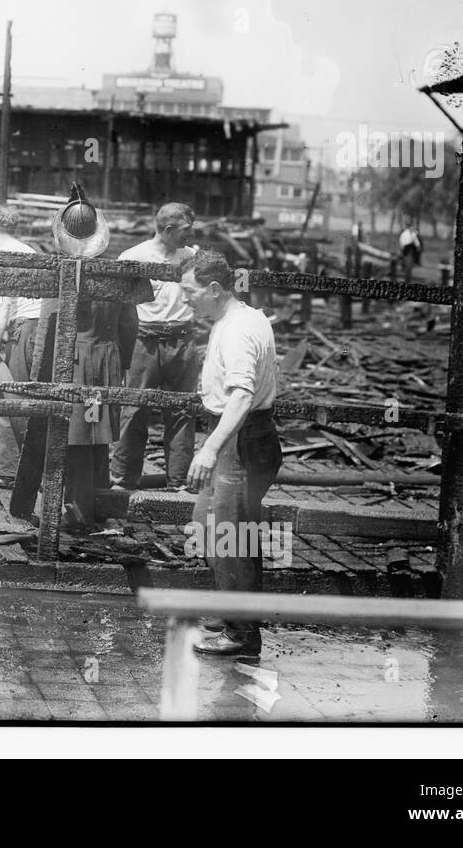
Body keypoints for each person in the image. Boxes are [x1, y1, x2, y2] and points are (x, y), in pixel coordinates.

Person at [180, 250, 282, 658]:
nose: (185, 298)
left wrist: (210, 449)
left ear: (214, 288)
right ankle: (234, 613)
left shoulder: (239, 330)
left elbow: (241, 398)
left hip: (239, 440)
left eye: (190, 291)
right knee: (210, 525)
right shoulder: (242, 317)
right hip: (242, 437)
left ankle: (242, 635)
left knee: (232, 536)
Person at [43, 184, 136, 530]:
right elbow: (130, 325)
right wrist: (121, 363)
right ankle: (98, 500)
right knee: (97, 433)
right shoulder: (116, 272)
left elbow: (49, 326)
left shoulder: (61, 272)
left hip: (74, 362)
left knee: (76, 436)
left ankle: (76, 507)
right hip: (106, 359)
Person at [110, 203, 200, 491]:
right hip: (144, 342)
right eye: (186, 229)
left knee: (183, 411)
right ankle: (124, 479)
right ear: (169, 229)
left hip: (182, 341)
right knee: (135, 409)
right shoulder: (133, 257)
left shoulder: (192, 257)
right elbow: (119, 306)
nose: (191, 234)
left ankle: (179, 482)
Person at [0, 207, 42, 487]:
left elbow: (3, 304)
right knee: (18, 393)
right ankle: (12, 465)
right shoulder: (26, 250)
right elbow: (21, 302)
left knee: (10, 394)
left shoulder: (5, 256)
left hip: (25, 330)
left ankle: (9, 472)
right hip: (34, 326)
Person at [398, 217, 423, 283]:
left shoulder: (412, 233)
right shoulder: (405, 233)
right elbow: (402, 242)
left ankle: (408, 276)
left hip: (410, 249)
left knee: (408, 264)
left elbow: (415, 241)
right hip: (407, 249)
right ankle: (406, 275)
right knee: (406, 263)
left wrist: (418, 247)